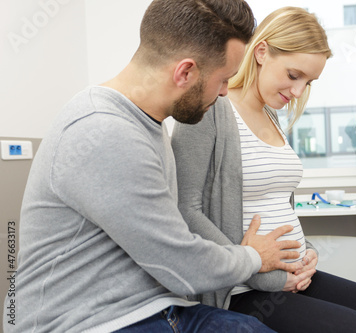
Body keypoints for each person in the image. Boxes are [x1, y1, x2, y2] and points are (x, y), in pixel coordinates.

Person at [3, 1, 308, 332]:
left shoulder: (149, 122)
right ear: (185, 72)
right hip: (83, 322)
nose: (224, 93)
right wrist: (254, 257)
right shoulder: (103, 130)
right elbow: (182, 264)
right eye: (223, 80)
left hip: (154, 307)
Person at [171, 6, 356, 333]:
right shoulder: (211, 110)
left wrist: (307, 251)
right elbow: (186, 209)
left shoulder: (273, 116)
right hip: (244, 289)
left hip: (295, 275)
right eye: (294, 75)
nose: (297, 92)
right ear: (262, 52)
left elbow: (278, 205)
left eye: (308, 82)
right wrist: (260, 272)